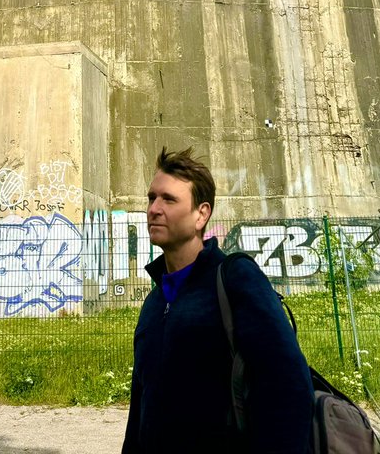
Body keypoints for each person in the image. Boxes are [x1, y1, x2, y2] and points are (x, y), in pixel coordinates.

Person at [122, 146, 314, 453]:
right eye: (151, 198)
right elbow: (140, 409)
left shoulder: (235, 279)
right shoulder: (155, 301)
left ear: (201, 214)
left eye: (169, 199)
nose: (154, 209)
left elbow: (289, 389)